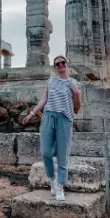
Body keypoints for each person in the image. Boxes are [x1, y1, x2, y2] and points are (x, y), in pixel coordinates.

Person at [20, 55, 81, 201]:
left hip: (64, 119)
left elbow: (77, 108)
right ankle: (52, 178)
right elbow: (44, 100)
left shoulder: (74, 83)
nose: (60, 65)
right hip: (48, 117)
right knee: (46, 152)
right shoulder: (50, 81)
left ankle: (60, 187)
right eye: (57, 64)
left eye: (62, 63)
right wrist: (32, 114)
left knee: (62, 155)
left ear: (67, 64)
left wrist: (76, 93)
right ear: (55, 67)